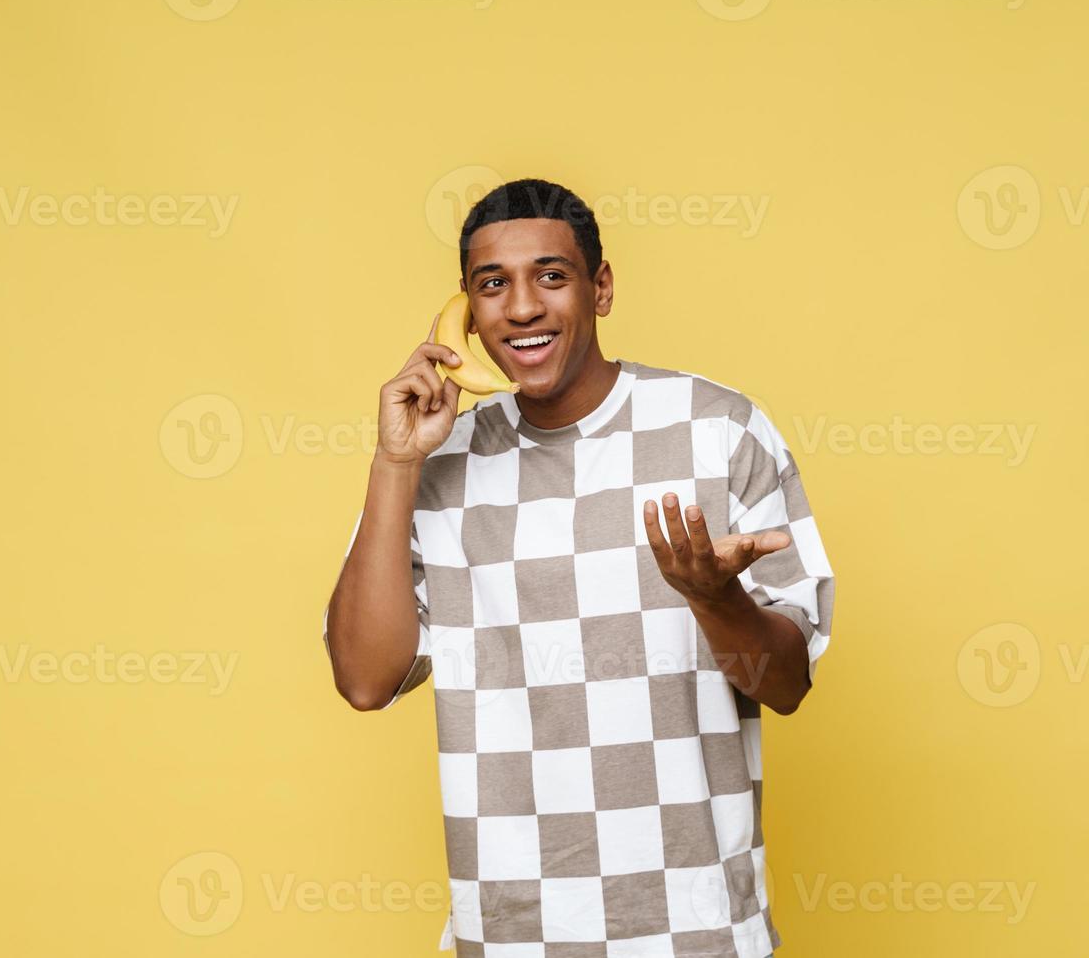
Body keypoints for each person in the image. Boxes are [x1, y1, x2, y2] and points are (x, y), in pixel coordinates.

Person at [322, 178, 835, 957]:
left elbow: (788, 683)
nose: (522, 307)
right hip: (512, 936)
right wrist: (395, 463)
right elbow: (365, 679)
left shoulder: (719, 430)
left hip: (697, 933)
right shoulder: (436, 459)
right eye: (493, 285)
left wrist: (712, 598)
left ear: (600, 288)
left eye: (551, 276)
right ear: (464, 310)